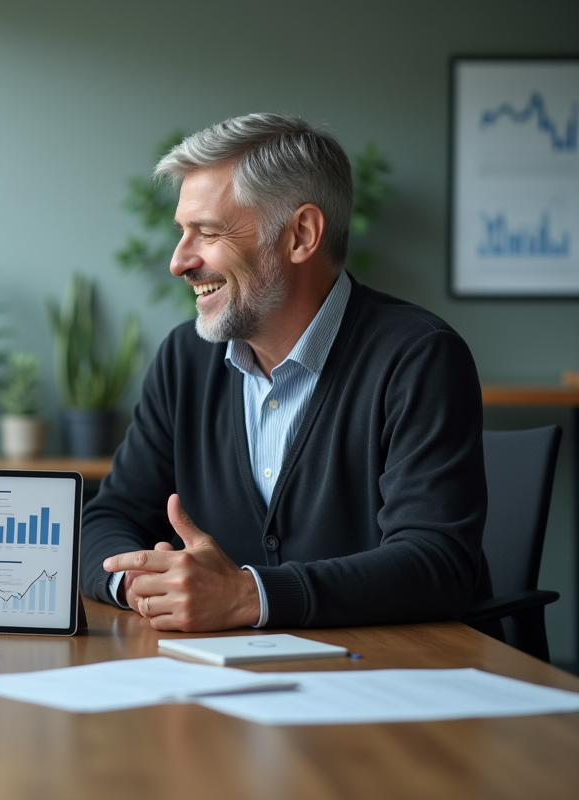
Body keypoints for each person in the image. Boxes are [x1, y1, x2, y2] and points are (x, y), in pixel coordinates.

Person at [81, 113, 491, 632]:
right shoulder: (184, 358)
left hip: (381, 683)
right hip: (224, 683)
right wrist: (147, 582)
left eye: (206, 232)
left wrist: (247, 595)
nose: (179, 261)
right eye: (183, 232)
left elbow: (437, 564)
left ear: (301, 234)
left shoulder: (419, 357)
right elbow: (106, 519)